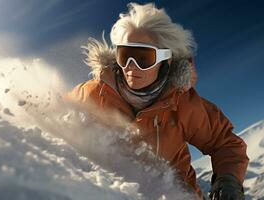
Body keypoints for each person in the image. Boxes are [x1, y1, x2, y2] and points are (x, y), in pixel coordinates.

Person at [67, 2, 249, 199]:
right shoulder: (95, 93)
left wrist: (228, 179)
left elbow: (224, 143)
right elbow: (50, 114)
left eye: (143, 58)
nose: (131, 66)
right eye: (125, 55)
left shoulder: (181, 104)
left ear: (165, 59)